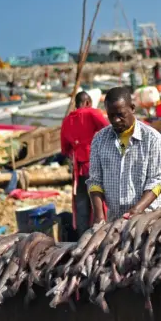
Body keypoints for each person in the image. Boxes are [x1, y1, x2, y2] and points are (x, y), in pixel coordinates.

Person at [87, 86, 161, 222]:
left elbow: (157, 181)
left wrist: (137, 210)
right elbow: (95, 181)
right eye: (111, 116)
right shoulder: (99, 139)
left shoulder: (153, 139)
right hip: (115, 218)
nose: (116, 120)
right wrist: (99, 216)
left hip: (149, 217)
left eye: (121, 115)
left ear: (132, 108)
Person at [61, 91, 109, 237]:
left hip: (78, 168)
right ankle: (102, 233)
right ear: (88, 102)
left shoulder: (67, 120)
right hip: (95, 164)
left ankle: (83, 236)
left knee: (81, 203)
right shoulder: (93, 113)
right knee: (100, 202)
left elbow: (65, 149)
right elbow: (110, 130)